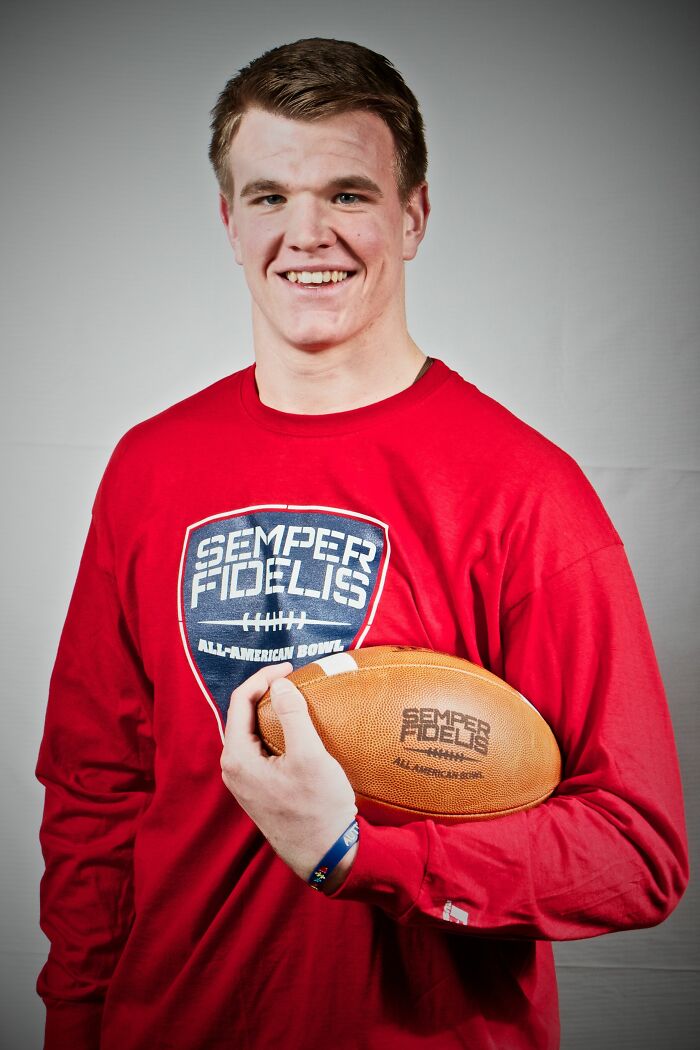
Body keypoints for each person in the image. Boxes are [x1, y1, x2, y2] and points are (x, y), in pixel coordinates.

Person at [36, 37, 688, 1050]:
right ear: (227, 220)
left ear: (412, 215)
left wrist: (354, 852)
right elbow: (94, 790)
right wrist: (74, 1024)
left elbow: (634, 850)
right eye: (268, 197)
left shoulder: (524, 490)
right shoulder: (148, 467)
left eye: (347, 193)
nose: (307, 233)